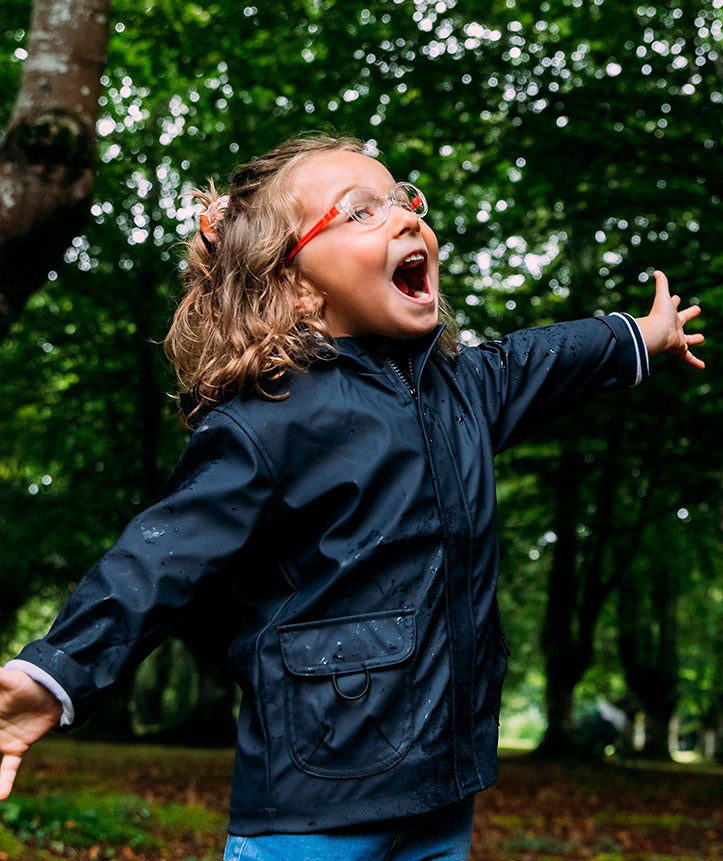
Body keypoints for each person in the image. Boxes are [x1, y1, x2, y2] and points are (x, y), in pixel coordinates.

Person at [0, 133, 705, 860]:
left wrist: (637, 335)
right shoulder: (269, 417)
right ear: (298, 284)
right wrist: (54, 674)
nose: (404, 217)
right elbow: (158, 559)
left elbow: (541, 358)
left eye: (405, 201)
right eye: (360, 212)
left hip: (442, 786)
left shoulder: (464, 389)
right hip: (313, 807)